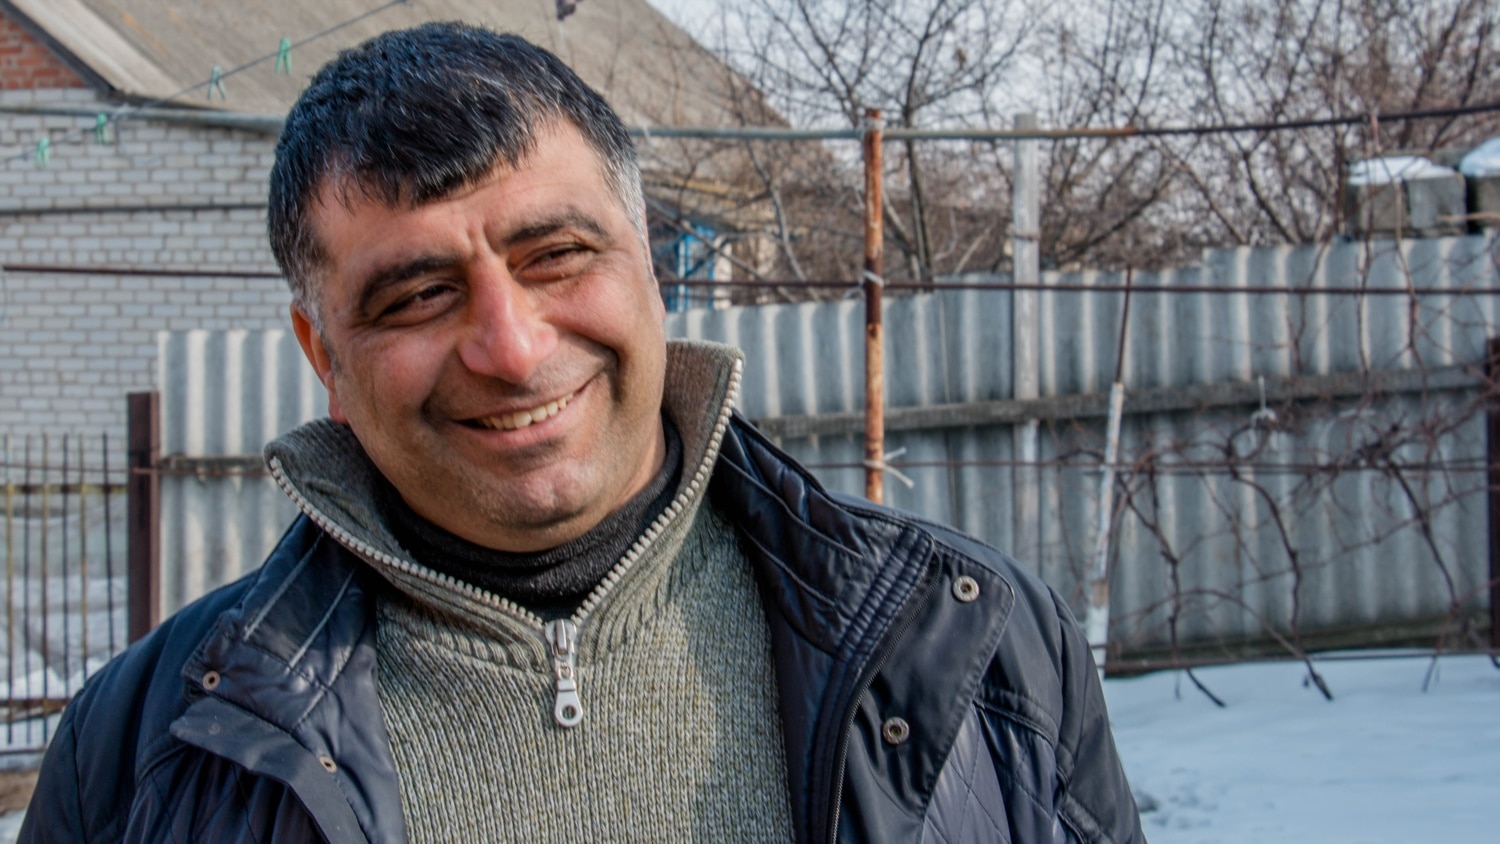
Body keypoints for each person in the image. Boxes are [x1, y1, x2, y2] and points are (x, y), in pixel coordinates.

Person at [22, 22, 1143, 844]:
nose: (511, 349)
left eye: (557, 255)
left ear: (649, 265)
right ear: (324, 356)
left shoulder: (983, 649)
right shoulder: (142, 754)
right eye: (418, 295)